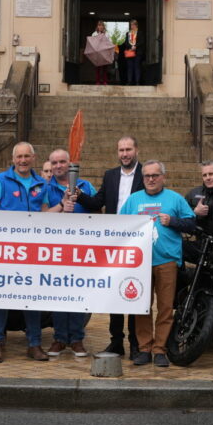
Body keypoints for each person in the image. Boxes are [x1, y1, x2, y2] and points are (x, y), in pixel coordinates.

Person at [120, 161, 196, 367]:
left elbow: (192, 224)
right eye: (147, 176)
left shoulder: (175, 199)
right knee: (141, 307)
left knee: (165, 307)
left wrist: (172, 221)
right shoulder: (133, 200)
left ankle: (160, 349)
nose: (151, 179)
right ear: (142, 178)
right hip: (139, 263)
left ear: (163, 177)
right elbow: (120, 226)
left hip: (167, 261)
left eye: (155, 175)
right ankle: (144, 348)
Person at [76, 136, 143, 357]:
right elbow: (98, 202)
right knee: (115, 293)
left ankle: (135, 342)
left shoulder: (146, 174)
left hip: (138, 243)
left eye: (128, 149)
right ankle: (117, 341)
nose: (125, 154)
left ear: (136, 150)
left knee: (134, 293)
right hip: (115, 243)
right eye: (121, 150)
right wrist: (79, 196)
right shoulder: (110, 175)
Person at [0, 142, 48, 363]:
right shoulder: (1, 180)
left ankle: (34, 344)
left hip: (33, 251)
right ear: (13, 159)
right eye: (19, 156)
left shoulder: (42, 183)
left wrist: (63, 206)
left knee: (32, 298)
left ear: (34, 158)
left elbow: (45, 214)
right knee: (1, 297)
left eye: (27, 156)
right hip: (6, 250)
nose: (23, 160)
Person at [40, 148, 97, 358]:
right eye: (53, 163)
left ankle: (77, 339)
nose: (57, 166)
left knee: (78, 294)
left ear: (69, 163)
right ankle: (59, 338)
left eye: (62, 162)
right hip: (55, 250)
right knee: (58, 295)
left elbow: (96, 210)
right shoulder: (45, 188)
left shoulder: (86, 186)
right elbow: (42, 215)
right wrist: (62, 205)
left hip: (81, 249)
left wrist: (80, 199)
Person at [185, 161, 213, 238]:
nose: (208, 178)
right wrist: (194, 212)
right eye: (204, 175)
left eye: (211, 174)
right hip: (202, 243)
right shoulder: (193, 193)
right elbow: (181, 215)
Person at [89, 21, 113, 85]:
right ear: (97, 26)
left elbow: (110, 41)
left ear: (104, 27)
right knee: (98, 68)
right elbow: (92, 42)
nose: (100, 27)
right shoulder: (94, 34)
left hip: (104, 52)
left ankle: (105, 81)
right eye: (99, 25)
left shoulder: (107, 34)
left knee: (105, 68)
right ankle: (98, 81)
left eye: (102, 25)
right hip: (97, 53)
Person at [123, 19, 142, 86]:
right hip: (130, 52)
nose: (132, 26)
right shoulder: (128, 33)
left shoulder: (140, 33)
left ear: (136, 25)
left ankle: (137, 82)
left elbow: (142, 42)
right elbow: (126, 42)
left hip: (137, 53)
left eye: (133, 25)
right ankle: (129, 81)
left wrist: (135, 46)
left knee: (137, 67)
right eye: (131, 25)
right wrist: (131, 47)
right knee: (130, 67)